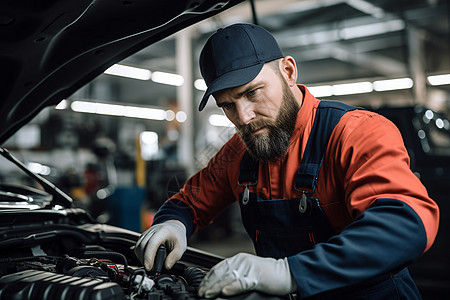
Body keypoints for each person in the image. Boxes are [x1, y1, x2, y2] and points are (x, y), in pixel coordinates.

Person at [135, 23, 439, 299]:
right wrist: (173, 223)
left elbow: (406, 222)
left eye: (252, 93)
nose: (244, 118)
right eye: (227, 105)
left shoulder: (355, 132)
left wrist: (289, 272)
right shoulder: (241, 151)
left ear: (289, 71)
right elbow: (189, 201)